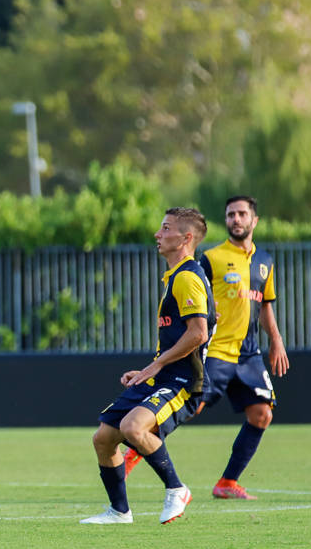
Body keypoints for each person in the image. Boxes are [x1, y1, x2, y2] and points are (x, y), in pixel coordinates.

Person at [122, 196, 289, 499]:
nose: (235, 219)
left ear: (255, 220)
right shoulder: (210, 258)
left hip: (248, 352)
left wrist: (276, 340)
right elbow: (197, 291)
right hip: (215, 349)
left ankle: (227, 483)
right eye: (230, 215)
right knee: (192, 405)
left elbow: (265, 305)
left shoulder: (265, 261)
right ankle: (136, 448)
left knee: (262, 414)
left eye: (241, 214)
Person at [81, 207, 215, 525]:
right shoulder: (176, 276)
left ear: (186, 238)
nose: (157, 234)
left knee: (132, 428)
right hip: (163, 374)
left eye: (165, 228)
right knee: (103, 438)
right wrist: (150, 368)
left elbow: (199, 333)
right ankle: (119, 511)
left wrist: (156, 366)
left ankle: (176, 489)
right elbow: (209, 322)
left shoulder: (186, 277)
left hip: (183, 379)